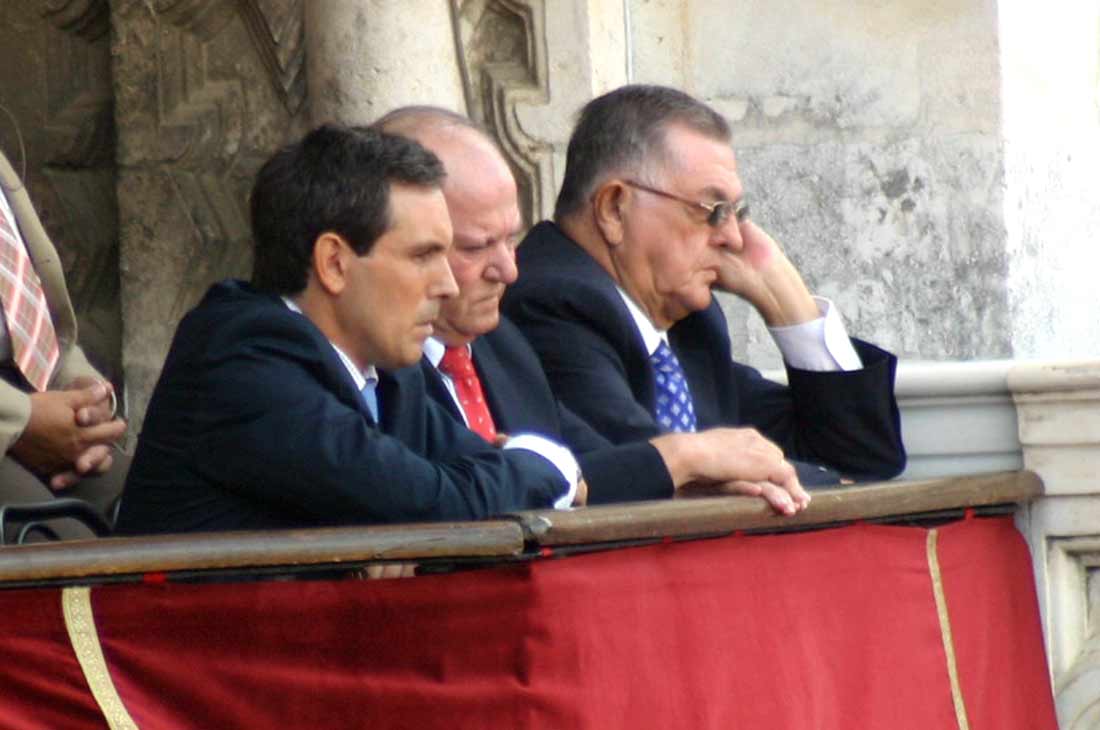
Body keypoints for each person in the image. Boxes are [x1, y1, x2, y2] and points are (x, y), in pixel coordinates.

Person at [115, 124, 583, 536]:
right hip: (181, 635)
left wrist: (516, 475)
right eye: (423, 256)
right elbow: (437, 507)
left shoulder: (387, 367)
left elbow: (459, 487)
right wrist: (550, 466)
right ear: (334, 263)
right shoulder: (242, 360)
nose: (445, 284)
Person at [376, 106, 809, 514]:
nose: (509, 271)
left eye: (510, 239)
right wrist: (682, 459)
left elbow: (590, 468)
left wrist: (796, 308)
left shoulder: (499, 344)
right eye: (476, 246)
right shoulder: (377, 363)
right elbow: (462, 488)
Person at [501, 85, 906, 482]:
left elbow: (863, 459)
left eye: (737, 211)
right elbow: (652, 468)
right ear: (613, 208)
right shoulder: (551, 303)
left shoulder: (687, 324)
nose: (734, 237)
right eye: (712, 210)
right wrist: (820, 481)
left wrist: (786, 298)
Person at [0, 147, 126, 540]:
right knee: (71, 555)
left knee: (172, 510)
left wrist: (85, 400)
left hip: (32, 401)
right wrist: (23, 420)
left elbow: (39, 320)